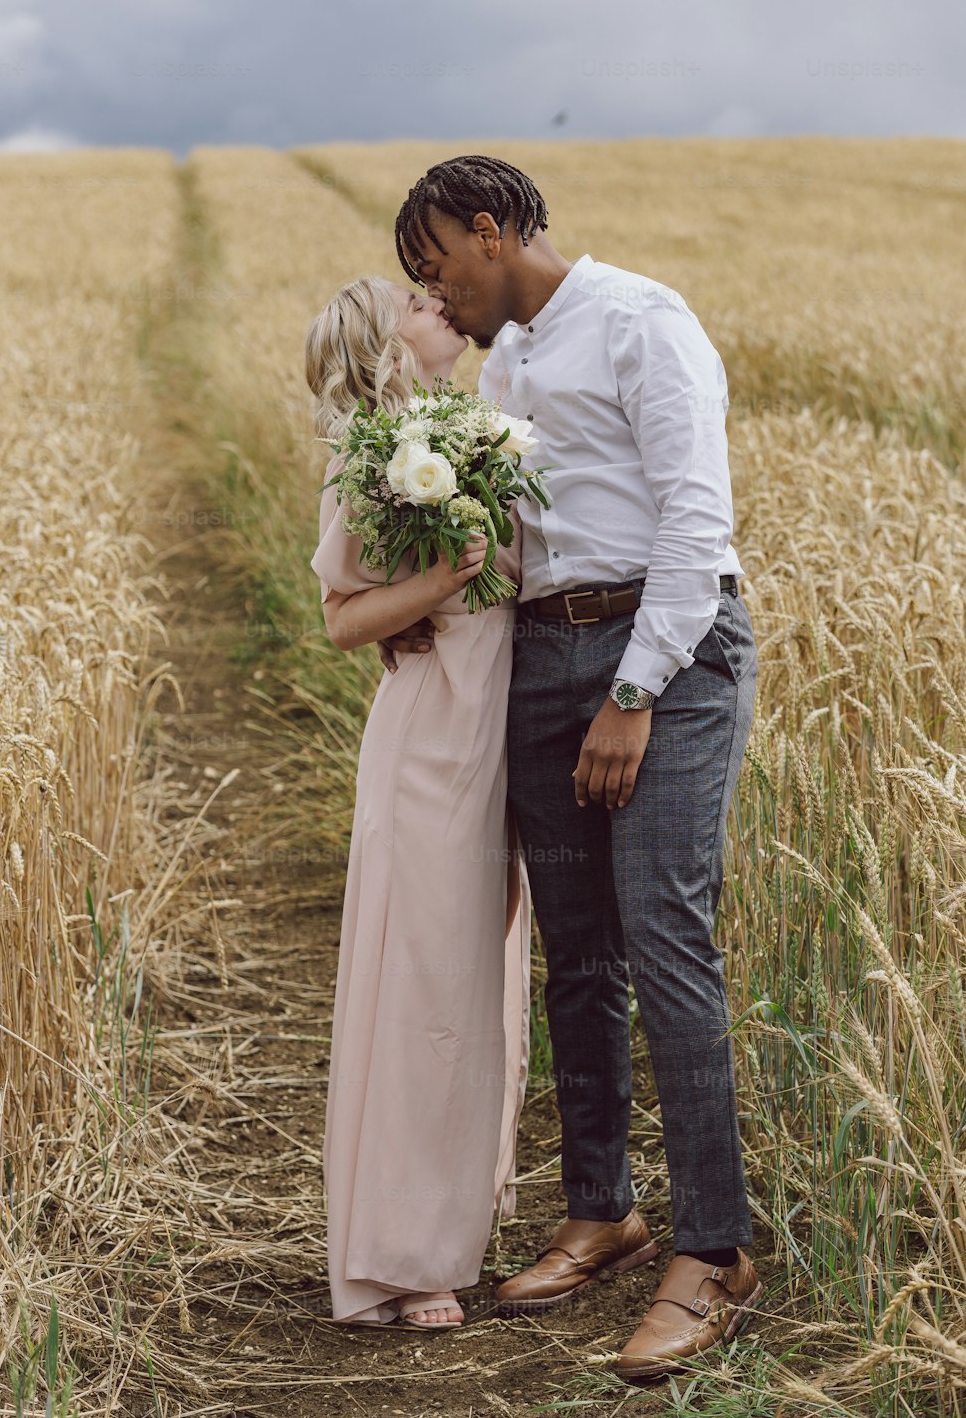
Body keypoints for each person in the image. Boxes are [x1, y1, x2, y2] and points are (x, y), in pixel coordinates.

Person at [377, 156, 765, 1379]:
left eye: (437, 264)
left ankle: (714, 1251)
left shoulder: (642, 319)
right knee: (575, 948)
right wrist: (416, 598)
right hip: (545, 657)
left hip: (668, 655)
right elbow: (522, 538)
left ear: (488, 230)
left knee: (662, 936)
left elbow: (695, 522)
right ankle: (601, 1210)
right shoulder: (508, 362)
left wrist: (635, 695)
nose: (435, 293)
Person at [305, 273, 532, 1330]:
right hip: (430, 743)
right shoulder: (372, 461)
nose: (435, 297)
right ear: (383, 344)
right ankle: (401, 1259)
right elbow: (345, 619)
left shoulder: (474, 431)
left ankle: (452, 1224)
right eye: (411, 296)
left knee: (479, 979)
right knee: (424, 990)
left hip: (495, 732)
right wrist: (442, 583)